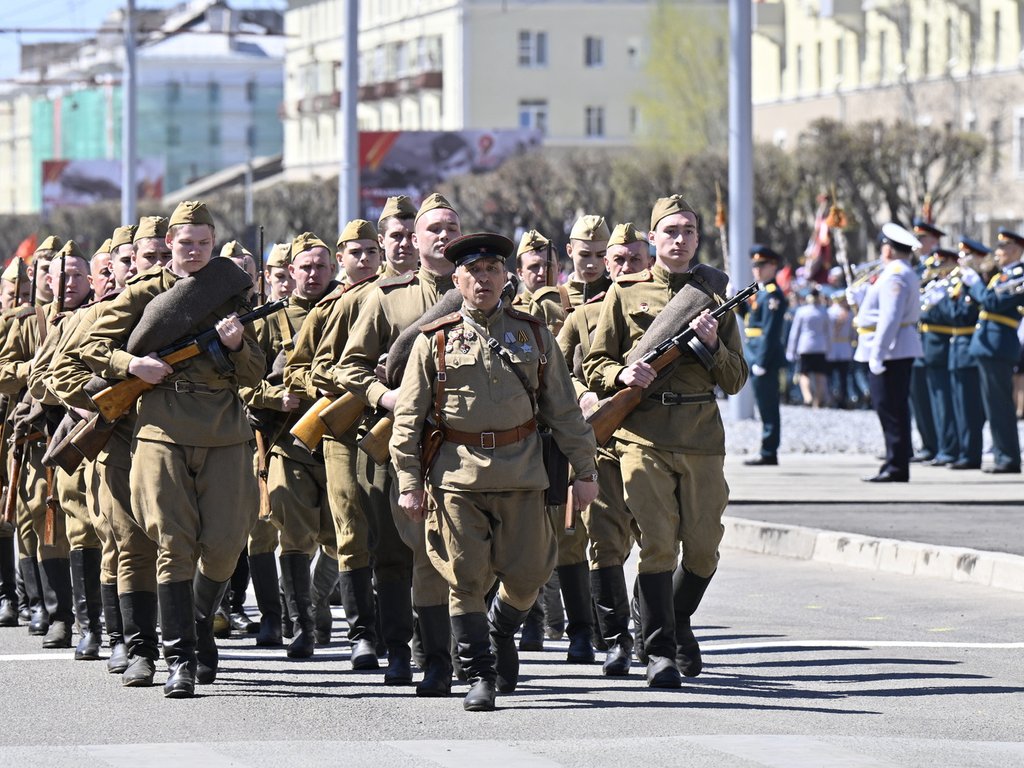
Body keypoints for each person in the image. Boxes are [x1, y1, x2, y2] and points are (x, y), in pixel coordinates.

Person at [390, 232, 598, 711]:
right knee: (464, 576)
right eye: (473, 271)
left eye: (491, 271)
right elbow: (409, 419)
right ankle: (480, 673)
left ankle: (501, 628)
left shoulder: (533, 334)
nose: (483, 279)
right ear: (457, 279)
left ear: (506, 278)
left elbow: (564, 411)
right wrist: (408, 483)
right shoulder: (434, 340)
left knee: (530, 573)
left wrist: (584, 472)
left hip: (524, 474)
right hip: (456, 479)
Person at [81, 200, 265, 698]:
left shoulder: (233, 294)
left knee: (226, 546)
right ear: (170, 246)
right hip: (161, 428)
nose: (195, 252)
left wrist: (237, 348)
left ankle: (200, 621)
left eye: (204, 243)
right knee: (173, 545)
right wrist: (131, 366)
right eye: (186, 244)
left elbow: (257, 373)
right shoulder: (145, 294)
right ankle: (179, 658)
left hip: (225, 430)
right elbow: (90, 347)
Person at [583, 194, 748, 688]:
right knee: (657, 545)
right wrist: (621, 373)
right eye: (670, 231)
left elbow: (737, 379)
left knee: (702, 551)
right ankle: (658, 653)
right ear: (652, 238)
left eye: (689, 232)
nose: (680, 240)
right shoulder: (624, 293)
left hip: (700, 436)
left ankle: (672, 623)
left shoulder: (716, 300)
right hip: (643, 434)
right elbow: (593, 365)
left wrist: (714, 345)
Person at [336, 192, 461, 697]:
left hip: (462, 444)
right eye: (433, 231)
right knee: (393, 553)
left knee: (461, 548)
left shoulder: (482, 287)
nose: (442, 239)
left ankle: (451, 649)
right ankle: (396, 648)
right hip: (398, 442)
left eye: (451, 230)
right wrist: (386, 398)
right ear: (415, 239)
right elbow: (350, 366)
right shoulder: (386, 297)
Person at [557, 221, 651, 675]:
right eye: (619, 261)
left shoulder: (667, 310)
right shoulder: (582, 316)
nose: (627, 268)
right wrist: (584, 394)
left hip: (656, 440)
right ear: (605, 267)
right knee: (605, 543)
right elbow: (555, 372)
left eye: (636, 260)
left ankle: (652, 629)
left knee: (659, 541)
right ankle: (615, 640)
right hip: (603, 441)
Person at [852, 223, 922, 483]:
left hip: (891, 351)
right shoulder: (898, 272)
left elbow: (891, 318)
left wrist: (878, 353)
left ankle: (896, 465)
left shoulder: (895, 275)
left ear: (889, 249)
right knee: (892, 409)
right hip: (892, 348)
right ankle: (895, 462)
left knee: (891, 409)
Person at [964, 228, 1024, 473]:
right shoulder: (1003, 275)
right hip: (990, 344)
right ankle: (1002, 454)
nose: (997, 252)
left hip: (998, 345)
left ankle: (1008, 457)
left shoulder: (1018, 275)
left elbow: (993, 302)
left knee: (1000, 405)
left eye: (1003, 247)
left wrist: (975, 283)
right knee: (993, 405)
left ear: (1017, 250)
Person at [739, 244, 788, 465]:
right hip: (754, 353)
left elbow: (770, 333)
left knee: (768, 407)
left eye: (762, 265)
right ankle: (767, 449)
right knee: (764, 405)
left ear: (773, 266)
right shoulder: (759, 293)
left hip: (763, 358)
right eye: (754, 266)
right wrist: (735, 300)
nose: (756, 270)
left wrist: (762, 361)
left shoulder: (773, 296)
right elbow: (750, 318)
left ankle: (769, 452)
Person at [786, 287, 831, 408]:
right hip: (820, 346)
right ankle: (817, 401)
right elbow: (828, 332)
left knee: (804, 373)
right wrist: (829, 348)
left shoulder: (801, 311)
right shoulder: (824, 311)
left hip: (805, 346)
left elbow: (795, 332)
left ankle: (807, 397)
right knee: (820, 374)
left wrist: (791, 350)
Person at [564, 214, 612, 306]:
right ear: (570, 251)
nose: (592, 264)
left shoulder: (617, 294)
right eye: (585, 255)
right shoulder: (554, 299)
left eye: (600, 255)